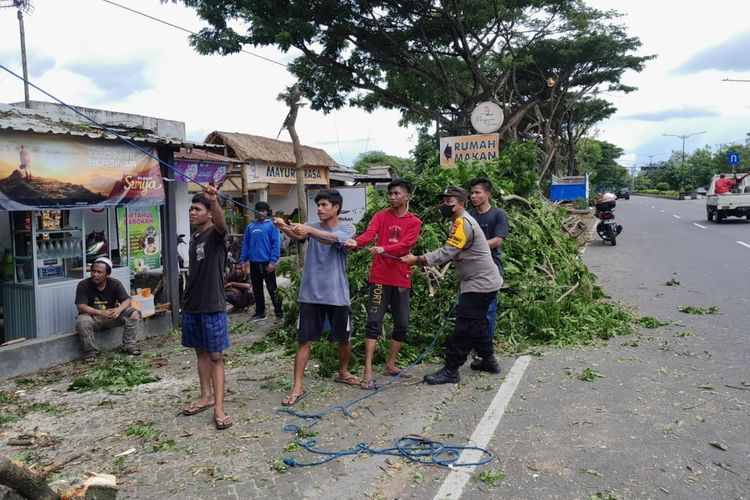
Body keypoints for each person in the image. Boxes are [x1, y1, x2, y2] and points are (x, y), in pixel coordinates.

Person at [402, 186, 502, 384]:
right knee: (479, 323)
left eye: (450, 202)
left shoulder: (462, 223)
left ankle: (451, 369)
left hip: (479, 284)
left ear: (461, 203)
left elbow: (447, 252)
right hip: (484, 281)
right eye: (444, 201)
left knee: (465, 327)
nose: (445, 205)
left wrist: (418, 259)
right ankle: (488, 360)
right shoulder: (461, 221)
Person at [273, 189, 359, 406]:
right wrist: (284, 227)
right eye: (318, 205)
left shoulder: (347, 228)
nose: (319, 209)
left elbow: (331, 239)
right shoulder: (311, 226)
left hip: (337, 294)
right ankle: (297, 386)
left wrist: (308, 229)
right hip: (310, 294)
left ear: (336, 208)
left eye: (324, 205)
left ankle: (343, 371)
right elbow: (298, 235)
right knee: (304, 340)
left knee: (344, 338)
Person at [344, 179, 422, 389]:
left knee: (403, 323)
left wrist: (384, 249)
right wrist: (356, 242)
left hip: (401, 278)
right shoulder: (380, 216)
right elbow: (369, 235)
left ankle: (390, 364)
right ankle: (367, 370)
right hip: (379, 278)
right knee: (373, 322)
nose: (392, 197)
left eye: (396, 193)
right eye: (390, 194)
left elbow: (407, 245)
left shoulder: (414, 222)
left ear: (407, 196)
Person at [181, 186, 233, 430]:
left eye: (197, 209)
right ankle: (206, 396)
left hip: (212, 305)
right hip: (192, 304)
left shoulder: (215, 234)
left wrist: (214, 201)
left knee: (215, 356)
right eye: (191, 208)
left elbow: (222, 224)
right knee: (200, 351)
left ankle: (219, 408)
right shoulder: (194, 237)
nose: (192, 212)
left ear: (209, 213)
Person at [468, 178, 509, 368]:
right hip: (470, 270)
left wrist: (476, 247)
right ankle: (478, 348)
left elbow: (498, 240)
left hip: (491, 268)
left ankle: (484, 353)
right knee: (469, 310)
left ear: (487, 194)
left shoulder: (498, 215)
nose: (474, 196)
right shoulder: (468, 216)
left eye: (477, 192)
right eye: (472, 193)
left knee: (488, 312)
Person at [74, 256, 141, 363]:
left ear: (107, 275)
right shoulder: (83, 285)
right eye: (93, 271)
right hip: (93, 317)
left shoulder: (115, 284)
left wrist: (118, 310)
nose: (95, 274)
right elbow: (81, 306)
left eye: (99, 272)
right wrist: (100, 312)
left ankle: (129, 345)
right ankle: (90, 351)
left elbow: (127, 300)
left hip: (112, 316)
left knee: (133, 313)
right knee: (82, 321)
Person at [240, 202, 283, 322]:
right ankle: (260, 312)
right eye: (257, 210)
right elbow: (245, 244)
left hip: (267, 264)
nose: (260, 213)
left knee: (272, 288)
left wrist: (273, 261)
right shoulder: (250, 227)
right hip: (254, 263)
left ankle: (279, 313)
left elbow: (276, 244)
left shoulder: (272, 226)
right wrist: (243, 260)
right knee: (257, 289)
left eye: (263, 210)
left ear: (267, 212)